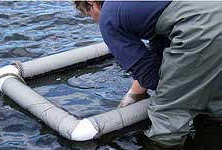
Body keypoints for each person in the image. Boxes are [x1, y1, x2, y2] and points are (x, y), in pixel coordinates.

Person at [74, 0, 222, 147]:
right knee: (214, 98)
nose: (94, 20)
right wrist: (136, 92)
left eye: (89, 14)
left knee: (167, 115)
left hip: (201, 28)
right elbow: (160, 44)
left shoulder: (108, 15)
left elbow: (147, 72)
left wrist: (170, 93)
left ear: (92, 3)